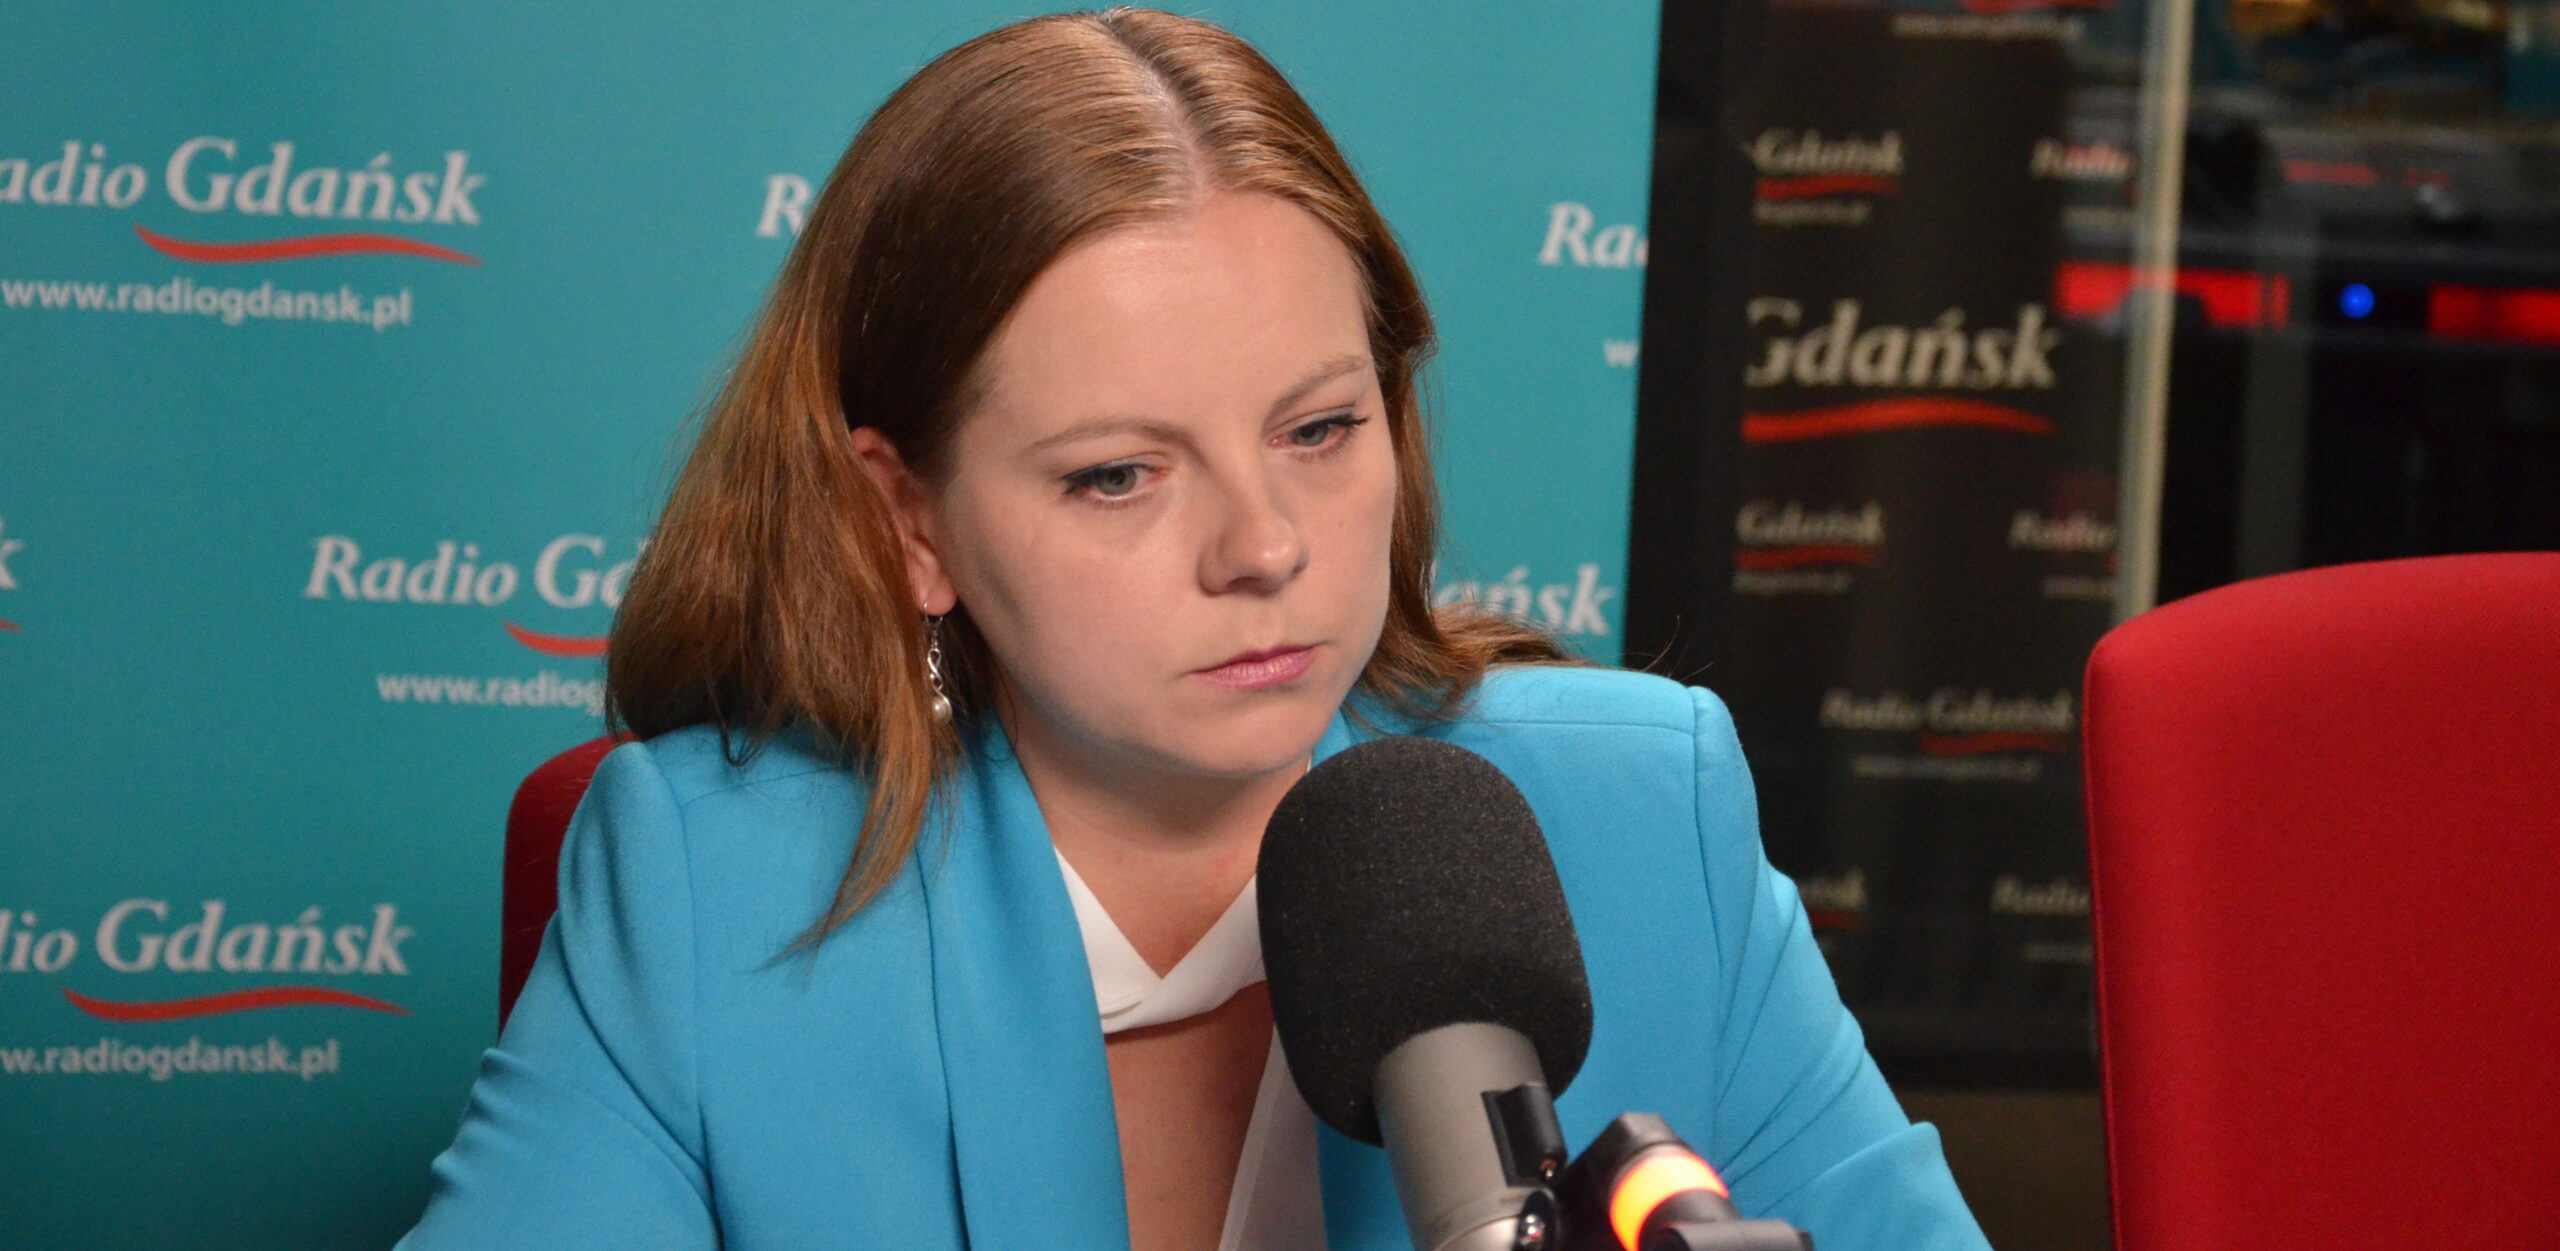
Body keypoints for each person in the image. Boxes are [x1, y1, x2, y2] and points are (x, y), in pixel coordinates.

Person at [396, 8, 1992, 1250]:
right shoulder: (713, 891)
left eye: (1319, 429)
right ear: (908, 523)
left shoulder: (1648, 821)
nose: (1264, 547)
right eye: (1118, 475)